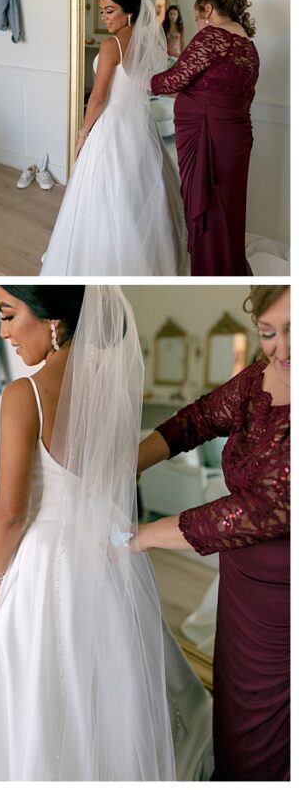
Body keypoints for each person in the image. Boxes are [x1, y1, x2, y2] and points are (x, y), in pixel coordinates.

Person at [0, 285, 211, 780]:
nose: (4, 331)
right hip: (112, 553)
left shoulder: (24, 394)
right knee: (112, 677)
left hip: (46, 559)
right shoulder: (112, 392)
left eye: (9, 315)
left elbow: (11, 511)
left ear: (52, 319)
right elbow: (115, 477)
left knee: (43, 687)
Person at [136, 285, 289, 780]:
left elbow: (263, 507)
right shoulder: (260, 378)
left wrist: (143, 534)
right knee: (233, 704)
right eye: (268, 333)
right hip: (241, 590)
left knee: (268, 731)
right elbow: (198, 419)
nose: (282, 349)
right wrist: (128, 464)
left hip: (285, 604)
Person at [40, 0, 187, 275]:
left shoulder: (112, 45)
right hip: (141, 124)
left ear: (129, 13)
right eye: (103, 11)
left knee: (108, 191)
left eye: (110, 11)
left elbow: (98, 97)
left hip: (114, 123)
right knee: (142, 187)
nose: (105, 18)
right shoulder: (149, 40)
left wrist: (82, 134)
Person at [150, 0, 260, 276]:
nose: (199, 25)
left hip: (209, 136)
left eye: (199, 17)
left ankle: (212, 269)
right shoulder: (247, 45)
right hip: (234, 136)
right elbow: (215, 86)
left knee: (210, 206)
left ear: (208, 9)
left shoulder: (214, 36)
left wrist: (141, 81)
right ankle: (226, 266)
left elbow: (174, 78)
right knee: (229, 206)